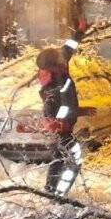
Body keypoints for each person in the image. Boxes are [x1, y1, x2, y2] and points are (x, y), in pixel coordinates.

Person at [37, 47, 81, 195]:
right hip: (61, 130)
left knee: (59, 160)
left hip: (62, 129)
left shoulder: (59, 71)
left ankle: (51, 190)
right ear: (53, 65)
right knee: (73, 160)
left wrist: (79, 31)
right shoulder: (53, 86)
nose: (64, 60)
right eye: (60, 59)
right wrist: (78, 112)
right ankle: (59, 194)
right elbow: (52, 110)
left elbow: (67, 50)